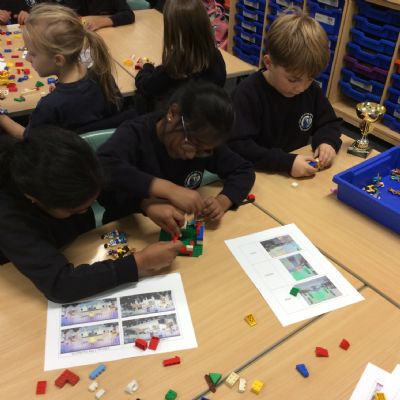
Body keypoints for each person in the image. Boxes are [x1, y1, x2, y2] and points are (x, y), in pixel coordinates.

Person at [0, 126, 182, 303]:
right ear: (34, 198)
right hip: (24, 271)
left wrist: (145, 204)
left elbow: (111, 191)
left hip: (79, 248)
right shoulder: (9, 217)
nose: (86, 210)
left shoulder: (83, 171)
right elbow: (60, 285)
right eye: (76, 210)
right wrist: (139, 263)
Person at [97, 82, 255, 234]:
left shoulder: (204, 140)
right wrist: (154, 198)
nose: (191, 155)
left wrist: (222, 201)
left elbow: (243, 169)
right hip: (126, 228)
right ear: (172, 113)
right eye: (191, 143)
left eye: (202, 151)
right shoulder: (135, 135)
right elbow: (102, 167)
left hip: (173, 228)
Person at [229, 10, 342, 178]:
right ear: (269, 63)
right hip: (256, 175)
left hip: (292, 176)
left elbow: (329, 122)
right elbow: (238, 145)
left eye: (310, 78)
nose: (301, 88)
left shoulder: (310, 91)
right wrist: (286, 163)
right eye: (293, 79)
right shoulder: (247, 94)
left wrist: (327, 142)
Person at [0, 3, 125, 139]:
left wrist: (1, 117)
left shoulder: (49, 106)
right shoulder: (102, 76)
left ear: (59, 60)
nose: (27, 58)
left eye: (32, 54)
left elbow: (28, 139)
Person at [134, 0, 226, 113]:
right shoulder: (216, 57)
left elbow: (146, 86)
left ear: (172, 31)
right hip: (207, 118)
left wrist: (146, 67)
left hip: (178, 121)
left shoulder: (175, 67)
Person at [64, 0, 135, 31]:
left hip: (110, 34)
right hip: (84, 36)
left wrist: (98, 23)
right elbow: (67, 14)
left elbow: (128, 15)